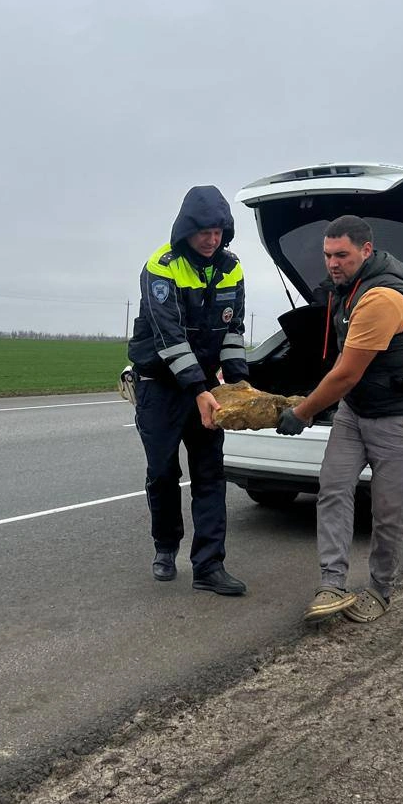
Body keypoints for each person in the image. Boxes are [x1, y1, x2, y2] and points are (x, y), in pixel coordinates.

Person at [277, 215, 403, 622]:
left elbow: (347, 372)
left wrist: (303, 412)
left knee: (390, 510)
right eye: (327, 255)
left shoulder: (380, 299)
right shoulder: (348, 290)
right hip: (359, 408)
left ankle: (380, 589)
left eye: (342, 255)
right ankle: (332, 583)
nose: (332, 263)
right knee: (333, 488)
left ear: (366, 251)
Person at [127, 185, 249, 595]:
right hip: (160, 388)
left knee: (210, 475)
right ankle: (165, 547)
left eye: (217, 231)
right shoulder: (161, 266)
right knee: (163, 473)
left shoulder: (232, 267)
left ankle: (209, 567)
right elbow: (169, 336)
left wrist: (238, 382)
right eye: (203, 232)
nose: (211, 239)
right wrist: (199, 388)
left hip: (205, 390)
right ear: (186, 230)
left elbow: (233, 330)